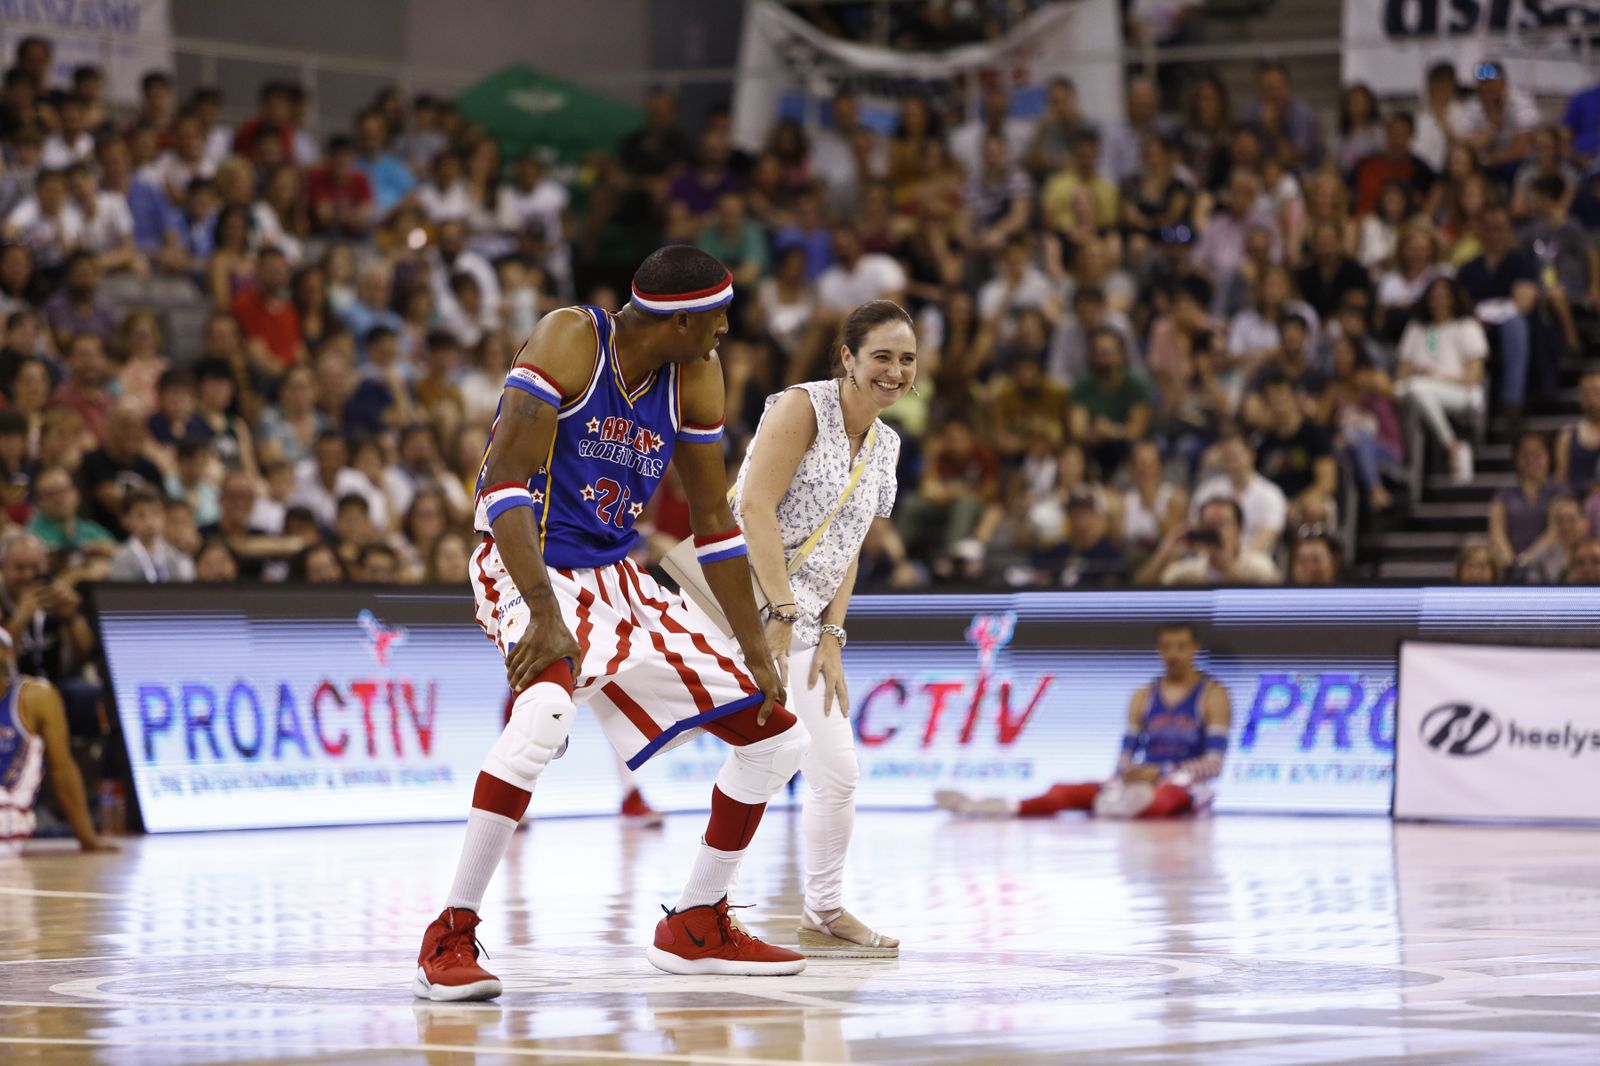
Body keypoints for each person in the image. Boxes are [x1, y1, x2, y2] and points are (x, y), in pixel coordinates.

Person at [417, 246, 807, 1002]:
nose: (726, 330)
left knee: (777, 734)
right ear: (681, 317)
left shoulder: (695, 374)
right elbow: (502, 483)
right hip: (523, 555)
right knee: (543, 715)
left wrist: (754, 647)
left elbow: (714, 519)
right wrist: (539, 610)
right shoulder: (570, 338)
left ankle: (695, 922)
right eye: (718, 317)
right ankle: (449, 934)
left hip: (618, 579)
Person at [727, 299, 911, 958]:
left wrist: (832, 637)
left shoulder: (887, 444)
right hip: (742, 600)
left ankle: (824, 909)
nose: (894, 371)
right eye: (881, 357)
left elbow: (849, 544)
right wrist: (778, 613)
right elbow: (751, 506)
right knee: (761, 755)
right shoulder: (800, 407)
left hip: (802, 618)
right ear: (848, 359)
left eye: (906, 359)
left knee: (834, 769)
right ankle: (709, 911)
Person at [935, 622, 1231, 819]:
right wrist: (1126, 773)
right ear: (1158, 650)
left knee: (1171, 792)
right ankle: (1001, 806)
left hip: (1183, 781)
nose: (1173, 654)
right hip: (1140, 779)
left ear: (1194, 649)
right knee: (1067, 791)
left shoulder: (1212, 695)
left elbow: (1215, 762)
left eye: (1181, 646)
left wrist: (1162, 771)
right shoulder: (1144, 695)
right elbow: (1126, 751)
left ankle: (1133, 803)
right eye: (1167, 647)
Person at [0, 627, 114, 851]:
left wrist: (87, 837)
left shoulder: (36, 697)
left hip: (8, 816)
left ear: (7, 653)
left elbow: (62, 768)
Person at [1395, 277, 1487, 484]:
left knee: (1418, 390)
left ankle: (1450, 447)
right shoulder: (1416, 328)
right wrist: (1418, 372)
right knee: (1412, 390)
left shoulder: (1467, 326)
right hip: (1416, 388)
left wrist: (1437, 377)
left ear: (1454, 298)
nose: (1439, 301)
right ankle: (1451, 447)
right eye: (1434, 296)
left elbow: (1473, 376)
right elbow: (1402, 373)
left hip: (1459, 390)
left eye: (1444, 296)